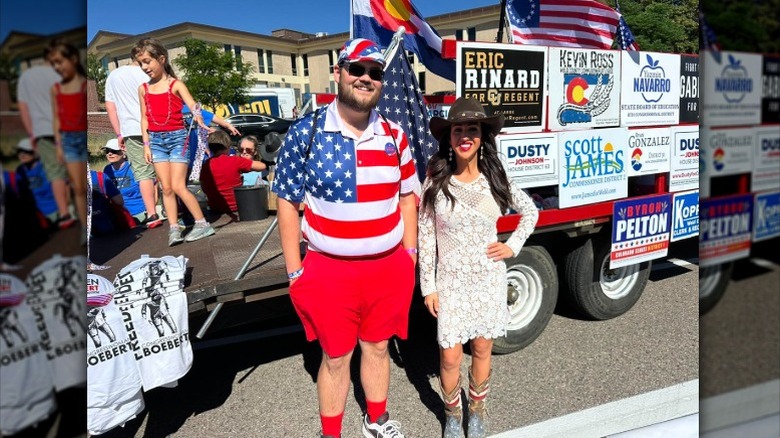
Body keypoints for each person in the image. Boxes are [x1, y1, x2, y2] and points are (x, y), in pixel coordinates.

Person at [272, 38, 420, 438]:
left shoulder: (396, 135)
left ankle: (377, 420)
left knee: (377, 347)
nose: (366, 78)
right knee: (336, 358)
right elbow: (287, 202)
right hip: (328, 269)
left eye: (375, 72)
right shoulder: (307, 131)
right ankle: (331, 434)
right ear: (338, 72)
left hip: (388, 267)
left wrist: (410, 254)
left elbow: (409, 197)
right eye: (357, 69)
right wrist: (294, 271)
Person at [418, 97, 539, 438]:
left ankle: (478, 409)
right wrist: (429, 286)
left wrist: (511, 246)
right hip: (452, 284)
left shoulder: (495, 179)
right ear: (450, 137)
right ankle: (453, 415)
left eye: (473, 129)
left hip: (488, 279)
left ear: (483, 136)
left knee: (483, 349)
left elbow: (531, 213)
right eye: (459, 130)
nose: (465, 136)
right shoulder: (436, 182)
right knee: (450, 358)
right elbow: (426, 236)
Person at [132, 37, 215, 246]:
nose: (144, 67)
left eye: (147, 61)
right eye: (141, 62)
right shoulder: (143, 89)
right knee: (165, 188)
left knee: (178, 185)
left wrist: (199, 119)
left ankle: (202, 223)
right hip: (156, 141)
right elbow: (144, 118)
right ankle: (174, 228)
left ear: (161, 59)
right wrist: (146, 145)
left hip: (178, 139)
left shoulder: (176, 84)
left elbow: (193, 106)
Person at [16, 64, 75, 228]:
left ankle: (65, 213)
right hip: (66, 126)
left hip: (43, 130)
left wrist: (31, 134)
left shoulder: (26, 77)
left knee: (56, 173)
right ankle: (72, 207)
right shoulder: (62, 72)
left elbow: (23, 107)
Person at [105, 64, 162, 227]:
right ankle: (173, 208)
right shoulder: (147, 72)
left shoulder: (113, 76)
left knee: (142, 173)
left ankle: (152, 214)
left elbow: (111, 107)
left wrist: (119, 134)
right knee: (164, 165)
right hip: (155, 124)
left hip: (130, 129)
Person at [47, 38, 88, 244]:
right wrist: (58, 146)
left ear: (73, 59)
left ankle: (89, 223)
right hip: (68, 140)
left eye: (60, 61)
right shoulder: (56, 89)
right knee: (77, 187)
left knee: (85, 184)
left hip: (84, 137)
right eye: (53, 63)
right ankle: (83, 226)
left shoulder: (83, 84)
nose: (57, 67)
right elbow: (56, 118)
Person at [199, 130, 266, 218]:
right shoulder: (235, 161)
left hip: (215, 208)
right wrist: (243, 169)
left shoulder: (205, 166)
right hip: (238, 206)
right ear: (227, 146)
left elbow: (204, 188)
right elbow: (262, 166)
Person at [102, 139, 147, 223]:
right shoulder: (107, 170)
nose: (109, 153)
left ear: (123, 153)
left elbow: (153, 187)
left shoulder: (134, 167)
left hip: (139, 212)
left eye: (113, 151)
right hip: (118, 214)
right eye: (107, 151)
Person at [14, 138, 58, 225]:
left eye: (26, 151)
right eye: (19, 151)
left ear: (34, 153)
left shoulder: (45, 166)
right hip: (35, 214)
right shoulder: (20, 171)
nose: (22, 154)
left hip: (53, 209)